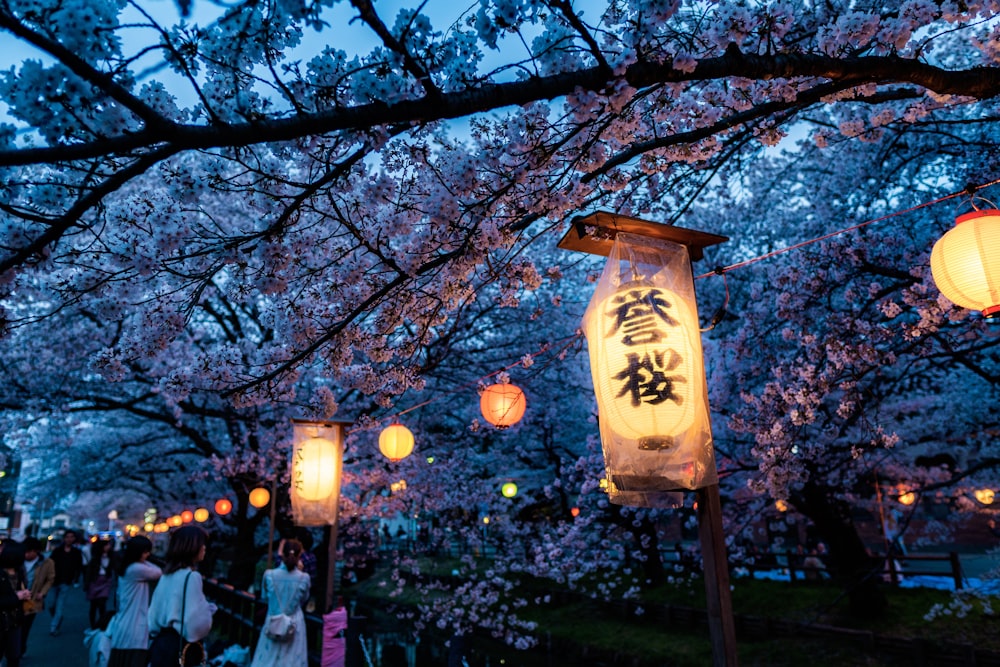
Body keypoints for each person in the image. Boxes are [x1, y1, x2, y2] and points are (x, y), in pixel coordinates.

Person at [148, 526, 214, 667]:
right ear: (192, 547)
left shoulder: (167, 575)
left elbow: (153, 617)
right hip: (181, 647)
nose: (204, 548)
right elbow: (195, 626)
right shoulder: (192, 576)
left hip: (161, 645)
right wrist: (208, 610)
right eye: (202, 544)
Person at [250, 539, 311, 667]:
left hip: (273, 619)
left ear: (281, 554)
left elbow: (265, 596)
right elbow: (304, 599)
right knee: (293, 660)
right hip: (294, 622)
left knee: (267, 658)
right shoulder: (304, 578)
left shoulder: (269, 575)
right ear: (300, 556)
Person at [107, 535, 162, 667]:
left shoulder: (129, 567)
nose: (148, 554)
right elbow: (158, 572)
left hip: (125, 624)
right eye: (145, 551)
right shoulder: (136, 569)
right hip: (132, 627)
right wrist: (143, 561)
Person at [20, 537, 54, 657]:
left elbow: (50, 579)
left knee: (25, 627)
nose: (26, 554)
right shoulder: (18, 560)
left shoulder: (46, 562)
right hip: (18, 597)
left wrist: (43, 592)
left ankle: (21, 648)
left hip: (33, 599)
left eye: (29, 552)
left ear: (36, 551)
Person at [47, 529, 84, 636]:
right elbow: (50, 563)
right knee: (51, 604)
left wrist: (75, 579)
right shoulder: (57, 551)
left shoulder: (76, 553)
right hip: (54, 580)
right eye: (67, 537)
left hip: (66, 581)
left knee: (60, 605)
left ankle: (53, 627)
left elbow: (79, 567)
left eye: (72, 537)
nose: (69, 539)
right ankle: (57, 618)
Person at [0, 544, 31, 667]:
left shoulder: (20, 572)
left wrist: (25, 595)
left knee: (14, 656)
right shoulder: (1, 574)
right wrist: (16, 597)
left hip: (15, 620)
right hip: (2, 620)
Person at [85, 538, 117, 629]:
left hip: (105, 581)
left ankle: (101, 624)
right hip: (95, 581)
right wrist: (87, 584)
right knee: (94, 605)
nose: (108, 547)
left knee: (102, 603)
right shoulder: (95, 559)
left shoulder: (111, 557)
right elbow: (89, 572)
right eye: (106, 545)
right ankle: (93, 625)